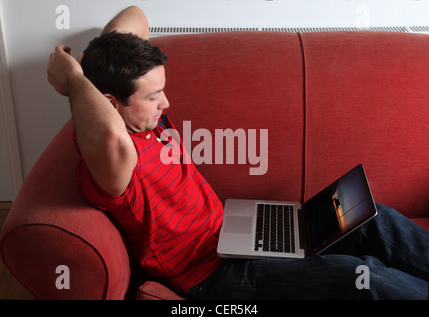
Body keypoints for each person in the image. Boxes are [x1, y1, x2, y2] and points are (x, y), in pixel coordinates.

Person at [47, 6, 429, 299]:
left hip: (230, 231)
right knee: (364, 276)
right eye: (153, 96)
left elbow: (135, 14)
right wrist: (74, 79)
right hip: (211, 275)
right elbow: (110, 136)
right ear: (111, 104)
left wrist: (86, 70)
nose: (167, 102)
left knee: (376, 220)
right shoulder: (115, 159)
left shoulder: (145, 118)